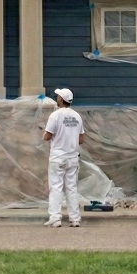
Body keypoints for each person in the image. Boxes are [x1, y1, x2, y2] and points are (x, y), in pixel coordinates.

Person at [43, 88, 85, 227]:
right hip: (72, 157)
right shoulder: (77, 116)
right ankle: (75, 219)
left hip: (58, 157)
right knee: (71, 188)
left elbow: (47, 136)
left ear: (61, 99)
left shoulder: (55, 116)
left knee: (56, 187)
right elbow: (81, 139)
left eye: (58, 96)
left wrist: (45, 134)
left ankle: (55, 218)